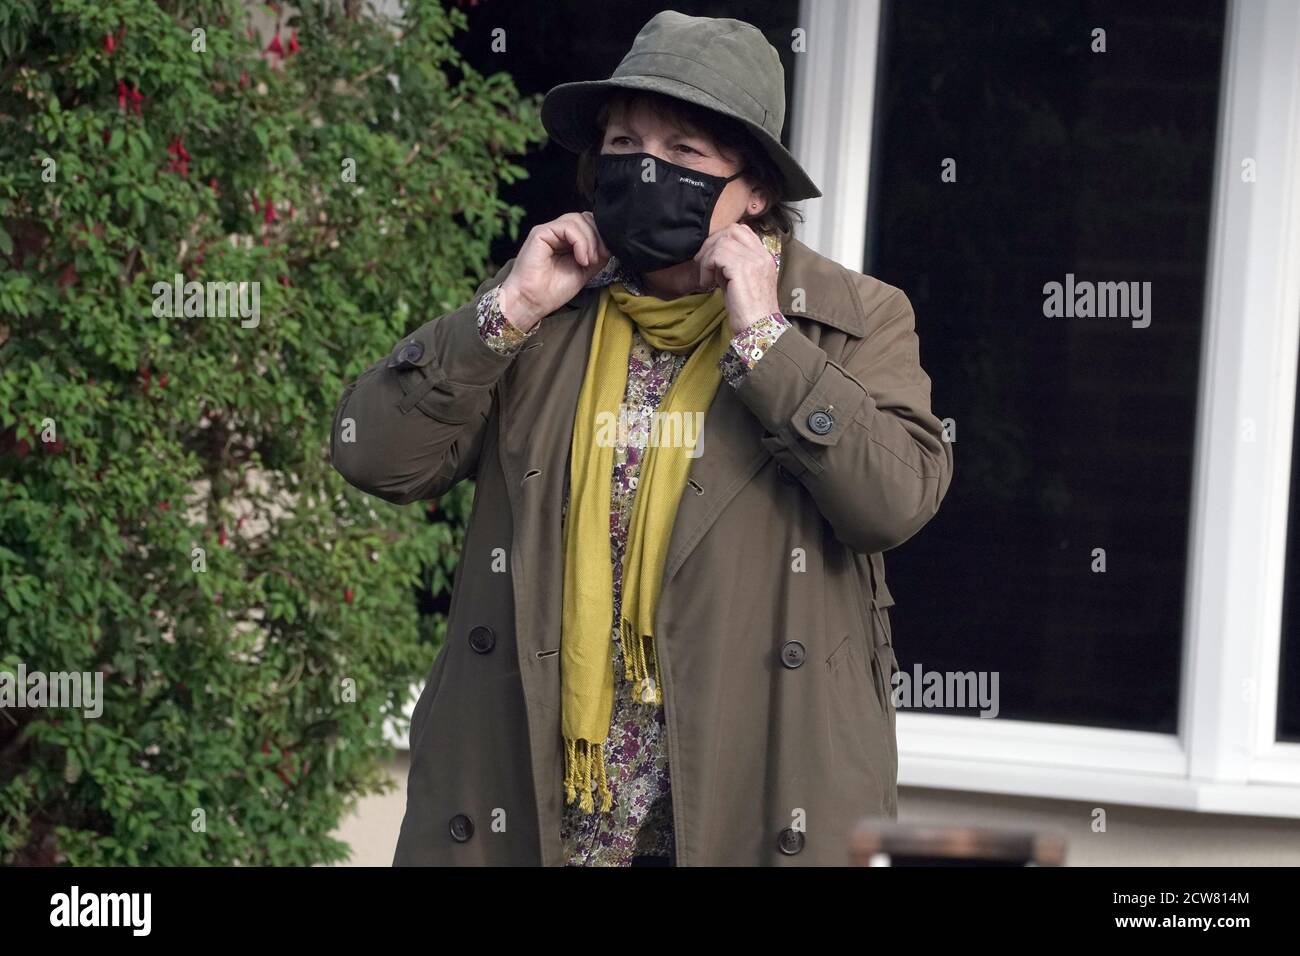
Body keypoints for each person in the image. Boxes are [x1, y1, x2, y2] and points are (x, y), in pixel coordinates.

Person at [330, 10, 953, 867]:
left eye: (687, 153)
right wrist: (505, 312)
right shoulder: (545, 310)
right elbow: (374, 454)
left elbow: (893, 500)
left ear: (757, 189)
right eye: (625, 142)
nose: (648, 168)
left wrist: (767, 343)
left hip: (745, 802)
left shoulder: (852, 321)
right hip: (543, 807)